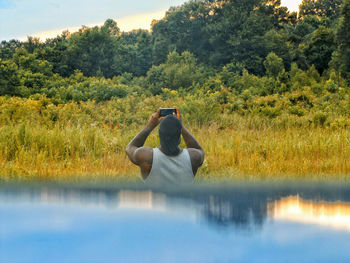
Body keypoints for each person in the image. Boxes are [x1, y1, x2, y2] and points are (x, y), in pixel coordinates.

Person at [126, 106, 204, 185]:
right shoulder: (193, 158)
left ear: (159, 135)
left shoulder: (147, 157)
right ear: (179, 137)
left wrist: (150, 125)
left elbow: (130, 147)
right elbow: (199, 150)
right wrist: (180, 126)